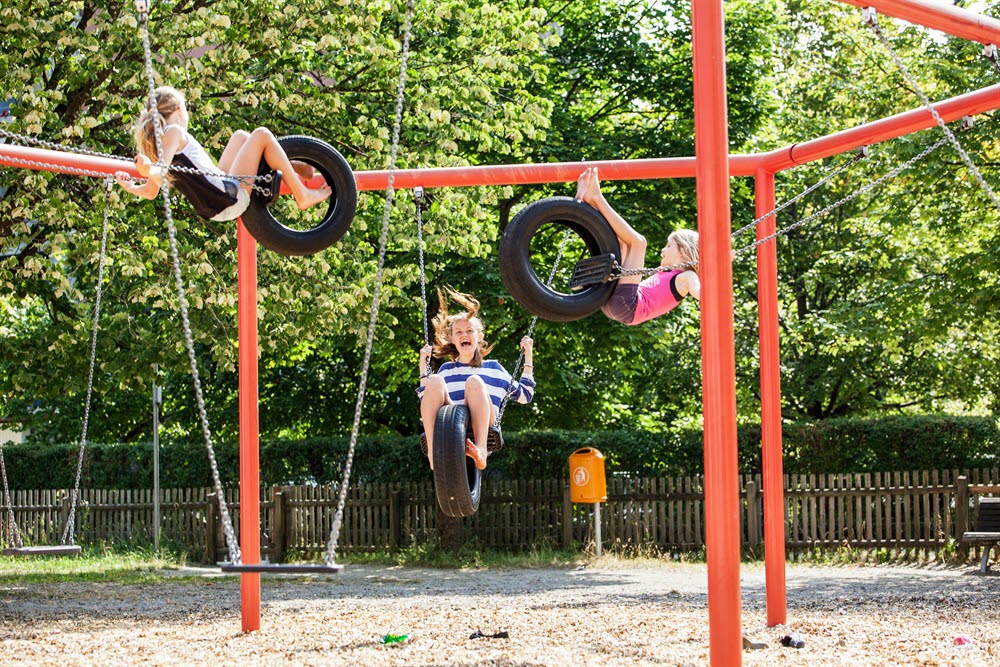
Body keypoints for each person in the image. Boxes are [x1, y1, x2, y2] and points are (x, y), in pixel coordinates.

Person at [114, 86, 331, 221]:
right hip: (229, 199)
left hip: (217, 201)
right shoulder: (174, 132)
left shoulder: (158, 145)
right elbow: (158, 174)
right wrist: (148, 169)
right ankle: (302, 195)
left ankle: (296, 167)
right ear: (180, 109)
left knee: (240, 137)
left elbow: (151, 191)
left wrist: (130, 187)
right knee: (262, 134)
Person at [417, 288, 535, 471]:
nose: (464, 335)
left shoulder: (494, 369)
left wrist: (528, 357)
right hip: (452, 424)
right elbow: (427, 400)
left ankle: (480, 450)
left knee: (474, 382)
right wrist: (422, 368)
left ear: (479, 337)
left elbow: (525, 396)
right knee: (434, 381)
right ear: (453, 340)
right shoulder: (445, 371)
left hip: (484, 424)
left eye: (469, 331)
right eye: (458, 332)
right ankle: (434, 453)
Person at [576, 166, 701, 325]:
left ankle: (597, 198)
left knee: (639, 243)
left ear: (683, 252)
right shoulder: (668, 274)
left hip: (628, 305)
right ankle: (590, 203)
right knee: (622, 243)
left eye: (669, 246)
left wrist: (723, 266)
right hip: (613, 302)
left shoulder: (687, 277)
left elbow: (700, 293)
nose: (663, 250)